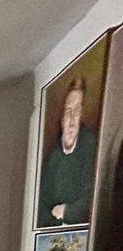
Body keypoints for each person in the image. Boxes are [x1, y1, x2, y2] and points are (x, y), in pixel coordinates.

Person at [37, 77, 98, 228]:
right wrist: (53, 221)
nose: (71, 121)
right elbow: (40, 203)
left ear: (82, 115)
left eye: (76, 112)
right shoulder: (55, 153)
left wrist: (66, 211)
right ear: (62, 119)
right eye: (68, 112)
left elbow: (94, 200)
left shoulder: (90, 146)